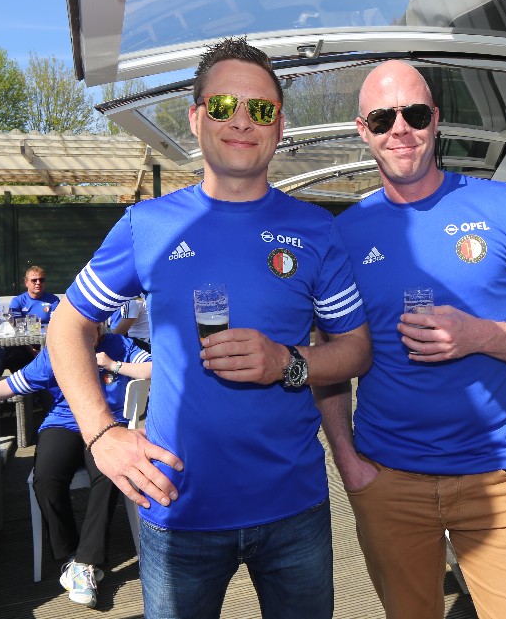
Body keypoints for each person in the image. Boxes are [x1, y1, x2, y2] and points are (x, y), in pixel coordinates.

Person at [47, 36, 371, 619]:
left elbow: (355, 350)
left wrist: (287, 361)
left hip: (293, 508)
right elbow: (67, 325)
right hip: (178, 509)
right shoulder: (147, 225)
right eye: (223, 106)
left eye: (261, 109)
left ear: (279, 126)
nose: (242, 121)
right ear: (197, 118)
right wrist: (101, 435)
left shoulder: (317, 229)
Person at [313, 60, 506, 619]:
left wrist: (479, 334)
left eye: (414, 114)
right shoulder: (344, 234)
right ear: (363, 130)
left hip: (500, 478)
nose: (400, 129)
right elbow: (331, 358)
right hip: (389, 480)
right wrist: (347, 461)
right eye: (382, 119)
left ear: (435, 120)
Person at [0, 324, 150, 608]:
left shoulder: (119, 345)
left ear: (98, 327)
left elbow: (155, 369)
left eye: (89, 329)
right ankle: (71, 556)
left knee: (109, 472)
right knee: (45, 479)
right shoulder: (56, 352)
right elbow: (13, 384)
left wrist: (113, 365)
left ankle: (85, 562)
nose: (82, 335)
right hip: (63, 422)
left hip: (108, 423)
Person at [5, 265, 61, 372]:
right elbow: (17, 329)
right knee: (14, 353)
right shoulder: (18, 301)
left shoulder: (53, 300)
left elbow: (55, 325)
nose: (38, 283)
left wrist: (44, 347)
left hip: (48, 341)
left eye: (41, 280)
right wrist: (31, 349)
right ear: (26, 283)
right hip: (24, 343)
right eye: (34, 280)